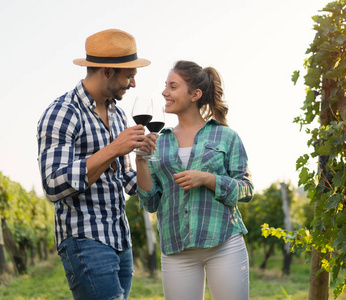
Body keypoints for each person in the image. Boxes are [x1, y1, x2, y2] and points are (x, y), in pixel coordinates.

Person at [37, 29, 153, 300]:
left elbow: (124, 177)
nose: (133, 83)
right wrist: (114, 148)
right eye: (130, 75)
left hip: (120, 239)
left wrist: (147, 162)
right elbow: (53, 185)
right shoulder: (63, 112)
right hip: (85, 239)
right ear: (107, 71)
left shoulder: (118, 112)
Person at [136, 60, 254, 300]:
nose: (164, 92)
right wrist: (140, 162)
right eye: (165, 86)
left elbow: (247, 189)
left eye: (173, 86)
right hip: (176, 248)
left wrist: (208, 179)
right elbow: (151, 202)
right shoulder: (160, 141)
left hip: (223, 243)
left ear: (195, 94)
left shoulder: (226, 136)